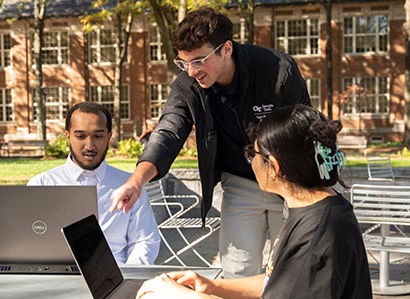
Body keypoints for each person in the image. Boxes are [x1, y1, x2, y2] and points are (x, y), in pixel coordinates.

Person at [110, 7, 310, 278]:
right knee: (237, 271)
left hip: (286, 181)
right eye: (183, 62)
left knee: (289, 272)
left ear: (226, 49)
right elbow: (168, 131)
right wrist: (136, 181)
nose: (192, 71)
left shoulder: (278, 70)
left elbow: (303, 130)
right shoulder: (187, 85)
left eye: (199, 61)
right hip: (240, 183)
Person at [135, 104, 373, 299]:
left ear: (275, 167)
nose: (250, 161)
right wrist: (212, 286)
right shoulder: (315, 207)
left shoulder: (316, 236)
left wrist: (181, 296)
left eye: (253, 153)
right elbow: (279, 280)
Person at [28, 102, 160, 265]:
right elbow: (31, 242)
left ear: (109, 136)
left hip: (117, 276)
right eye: (80, 136)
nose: (89, 146)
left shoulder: (130, 186)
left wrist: (130, 277)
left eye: (98, 136)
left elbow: (144, 242)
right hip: (57, 277)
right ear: (68, 136)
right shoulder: (41, 184)